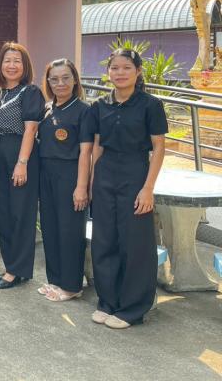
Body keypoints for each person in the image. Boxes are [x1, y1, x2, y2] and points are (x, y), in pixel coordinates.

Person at [87, 49, 166, 329]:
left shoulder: (150, 105)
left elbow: (158, 148)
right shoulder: (99, 105)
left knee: (135, 243)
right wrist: (92, 184)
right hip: (106, 173)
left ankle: (132, 308)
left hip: (135, 173)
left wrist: (148, 188)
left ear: (138, 71)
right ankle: (107, 301)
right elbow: (97, 147)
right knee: (105, 239)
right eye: (115, 68)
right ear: (108, 72)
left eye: (126, 68)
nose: (120, 73)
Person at [0, 42, 45, 290]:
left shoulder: (30, 92)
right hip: (0, 156)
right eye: (7, 61)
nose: (11, 66)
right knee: (4, 213)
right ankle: (11, 265)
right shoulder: (0, 93)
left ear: (25, 67)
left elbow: (31, 129)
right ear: (0, 65)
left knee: (20, 214)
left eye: (17, 61)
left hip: (20, 155)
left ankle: (17, 269)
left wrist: (21, 163)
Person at [37, 59, 92, 302]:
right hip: (46, 174)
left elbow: (86, 152)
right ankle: (55, 279)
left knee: (70, 231)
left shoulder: (83, 110)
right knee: (50, 228)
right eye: (54, 79)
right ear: (48, 82)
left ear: (75, 80)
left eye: (65, 78)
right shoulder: (48, 108)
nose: (60, 83)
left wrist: (81, 186)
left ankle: (71, 285)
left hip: (70, 175)